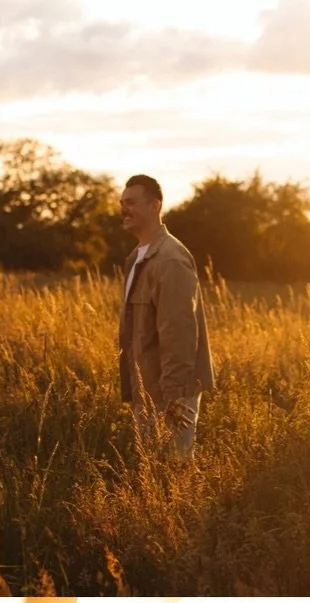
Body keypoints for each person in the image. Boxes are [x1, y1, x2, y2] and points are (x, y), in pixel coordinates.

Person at [117, 174, 214, 462]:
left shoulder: (170, 258)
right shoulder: (136, 257)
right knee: (152, 469)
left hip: (170, 390)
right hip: (147, 388)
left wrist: (173, 397)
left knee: (176, 469)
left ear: (155, 206)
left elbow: (179, 332)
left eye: (131, 202)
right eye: (122, 203)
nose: (124, 209)